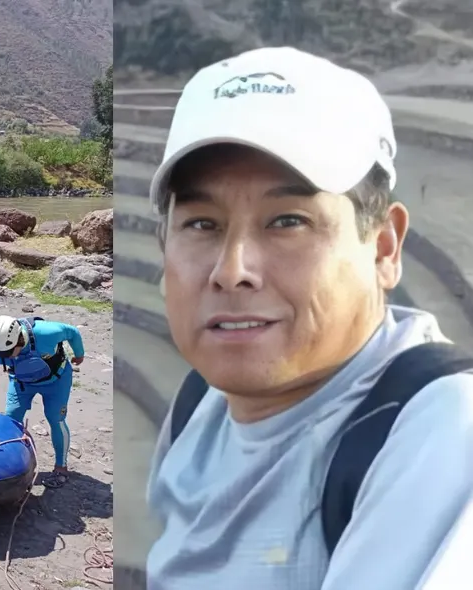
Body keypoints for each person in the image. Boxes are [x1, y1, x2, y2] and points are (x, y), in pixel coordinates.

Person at [144, 46, 473, 590]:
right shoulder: (199, 402)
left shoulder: (446, 431)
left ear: (384, 247)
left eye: (287, 221)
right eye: (202, 224)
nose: (232, 270)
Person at [0, 315, 85, 489]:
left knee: (55, 419)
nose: (3, 358)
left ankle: (61, 468)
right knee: (11, 421)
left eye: (7, 353)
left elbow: (72, 332)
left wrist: (79, 354)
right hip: (21, 384)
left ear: (19, 340)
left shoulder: (46, 332)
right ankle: (13, 468)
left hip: (57, 381)